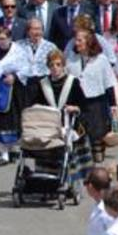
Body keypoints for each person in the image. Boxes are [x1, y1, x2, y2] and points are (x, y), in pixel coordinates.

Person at [37, 50, 93, 183]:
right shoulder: (43, 84)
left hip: (70, 123)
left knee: (72, 136)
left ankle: (70, 177)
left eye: (58, 64)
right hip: (50, 124)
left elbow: (84, 106)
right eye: (52, 65)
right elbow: (37, 103)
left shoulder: (72, 82)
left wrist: (75, 108)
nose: (55, 68)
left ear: (63, 65)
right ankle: (46, 177)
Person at [66, 30, 117, 162]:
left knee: (97, 139)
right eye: (76, 40)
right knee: (79, 137)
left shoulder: (101, 60)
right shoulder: (71, 58)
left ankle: (98, 168)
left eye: (79, 40)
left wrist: (113, 105)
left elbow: (109, 83)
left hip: (96, 104)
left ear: (89, 42)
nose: (76, 43)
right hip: (77, 103)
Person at [0, 26, 28, 165]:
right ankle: (4, 154)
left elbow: (26, 68)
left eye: (3, 38)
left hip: (13, 90)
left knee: (11, 122)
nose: (1, 41)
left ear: (9, 38)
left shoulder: (18, 51)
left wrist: (14, 76)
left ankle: (12, 150)